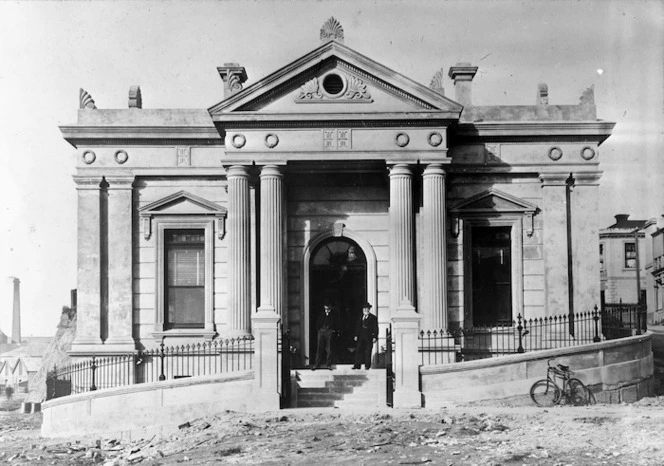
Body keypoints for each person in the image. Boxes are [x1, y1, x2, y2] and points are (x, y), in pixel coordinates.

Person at [352, 302, 378, 370]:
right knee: (358, 350)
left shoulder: (373, 318)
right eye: (364, 308)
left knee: (368, 351)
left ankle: (367, 365)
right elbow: (357, 327)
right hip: (361, 336)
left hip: (369, 336)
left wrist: (375, 336)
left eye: (367, 308)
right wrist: (356, 335)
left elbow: (375, 328)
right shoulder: (360, 317)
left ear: (369, 309)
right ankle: (357, 365)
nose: (366, 310)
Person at [313, 304, 338, 370]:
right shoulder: (321, 315)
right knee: (319, 349)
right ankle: (317, 364)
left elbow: (336, 323)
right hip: (321, 332)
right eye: (325, 308)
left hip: (329, 332)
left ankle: (328, 364)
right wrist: (319, 330)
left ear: (330, 308)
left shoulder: (333, 315)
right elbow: (317, 323)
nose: (327, 310)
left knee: (329, 349)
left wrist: (333, 330)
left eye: (328, 308)